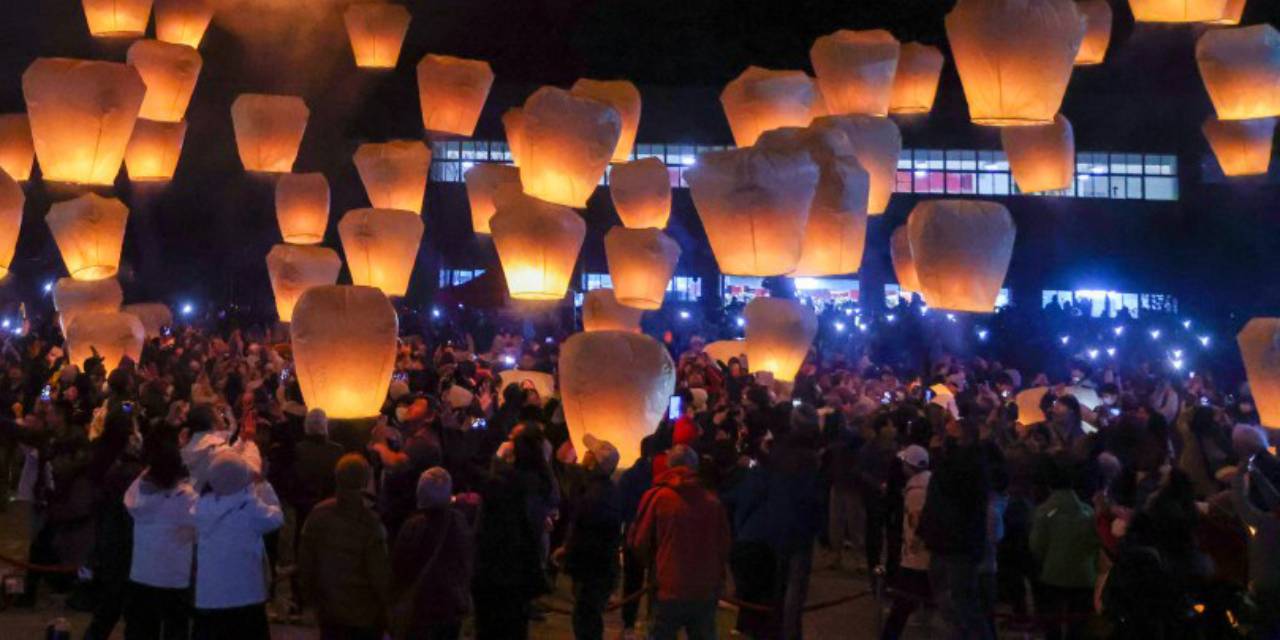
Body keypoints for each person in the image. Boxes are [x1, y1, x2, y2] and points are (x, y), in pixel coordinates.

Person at [628, 444, 731, 640]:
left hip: (668, 583)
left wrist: (654, 564)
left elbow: (640, 540)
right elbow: (723, 544)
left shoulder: (658, 497)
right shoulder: (712, 501)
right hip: (704, 586)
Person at [297, 453, 391, 640]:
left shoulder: (318, 515)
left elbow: (306, 563)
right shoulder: (369, 523)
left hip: (329, 610)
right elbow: (379, 574)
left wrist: (309, 600)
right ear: (365, 480)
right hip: (365, 615)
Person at [192, 450, 284, 639]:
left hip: (209, 597)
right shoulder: (250, 508)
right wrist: (263, 486)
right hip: (246, 595)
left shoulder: (200, 507)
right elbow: (277, 518)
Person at [122, 438, 197, 640]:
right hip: (174, 577)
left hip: (142, 574)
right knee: (175, 629)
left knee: (140, 629)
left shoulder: (137, 495)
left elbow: (139, 485)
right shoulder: (186, 498)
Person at [390, 467, 473, 640]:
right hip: (451, 602)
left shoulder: (413, 526)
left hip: (422, 605)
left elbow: (400, 565)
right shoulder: (458, 520)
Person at [555, 435, 622, 640]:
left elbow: (584, 531)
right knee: (588, 617)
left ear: (594, 462)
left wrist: (567, 550)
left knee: (586, 618)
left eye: (589, 453)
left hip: (593, 569)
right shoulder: (604, 490)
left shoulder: (595, 495)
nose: (584, 455)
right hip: (599, 567)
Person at [1030, 456, 1099, 640]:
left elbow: (1036, 547)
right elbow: (1095, 544)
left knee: (1053, 626)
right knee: (1078, 628)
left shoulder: (1044, 512)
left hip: (1052, 575)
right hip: (1084, 577)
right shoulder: (1088, 512)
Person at [881, 445, 931, 640]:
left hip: (916, 558)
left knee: (901, 606)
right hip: (925, 556)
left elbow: (915, 524)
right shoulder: (929, 482)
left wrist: (912, 548)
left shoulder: (916, 491)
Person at [616, 436, 656, 639]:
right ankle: (645, 622)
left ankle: (631, 622)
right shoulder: (652, 476)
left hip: (635, 534)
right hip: (648, 535)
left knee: (634, 580)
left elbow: (621, 507)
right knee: (646, 581)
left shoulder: (630, 475)